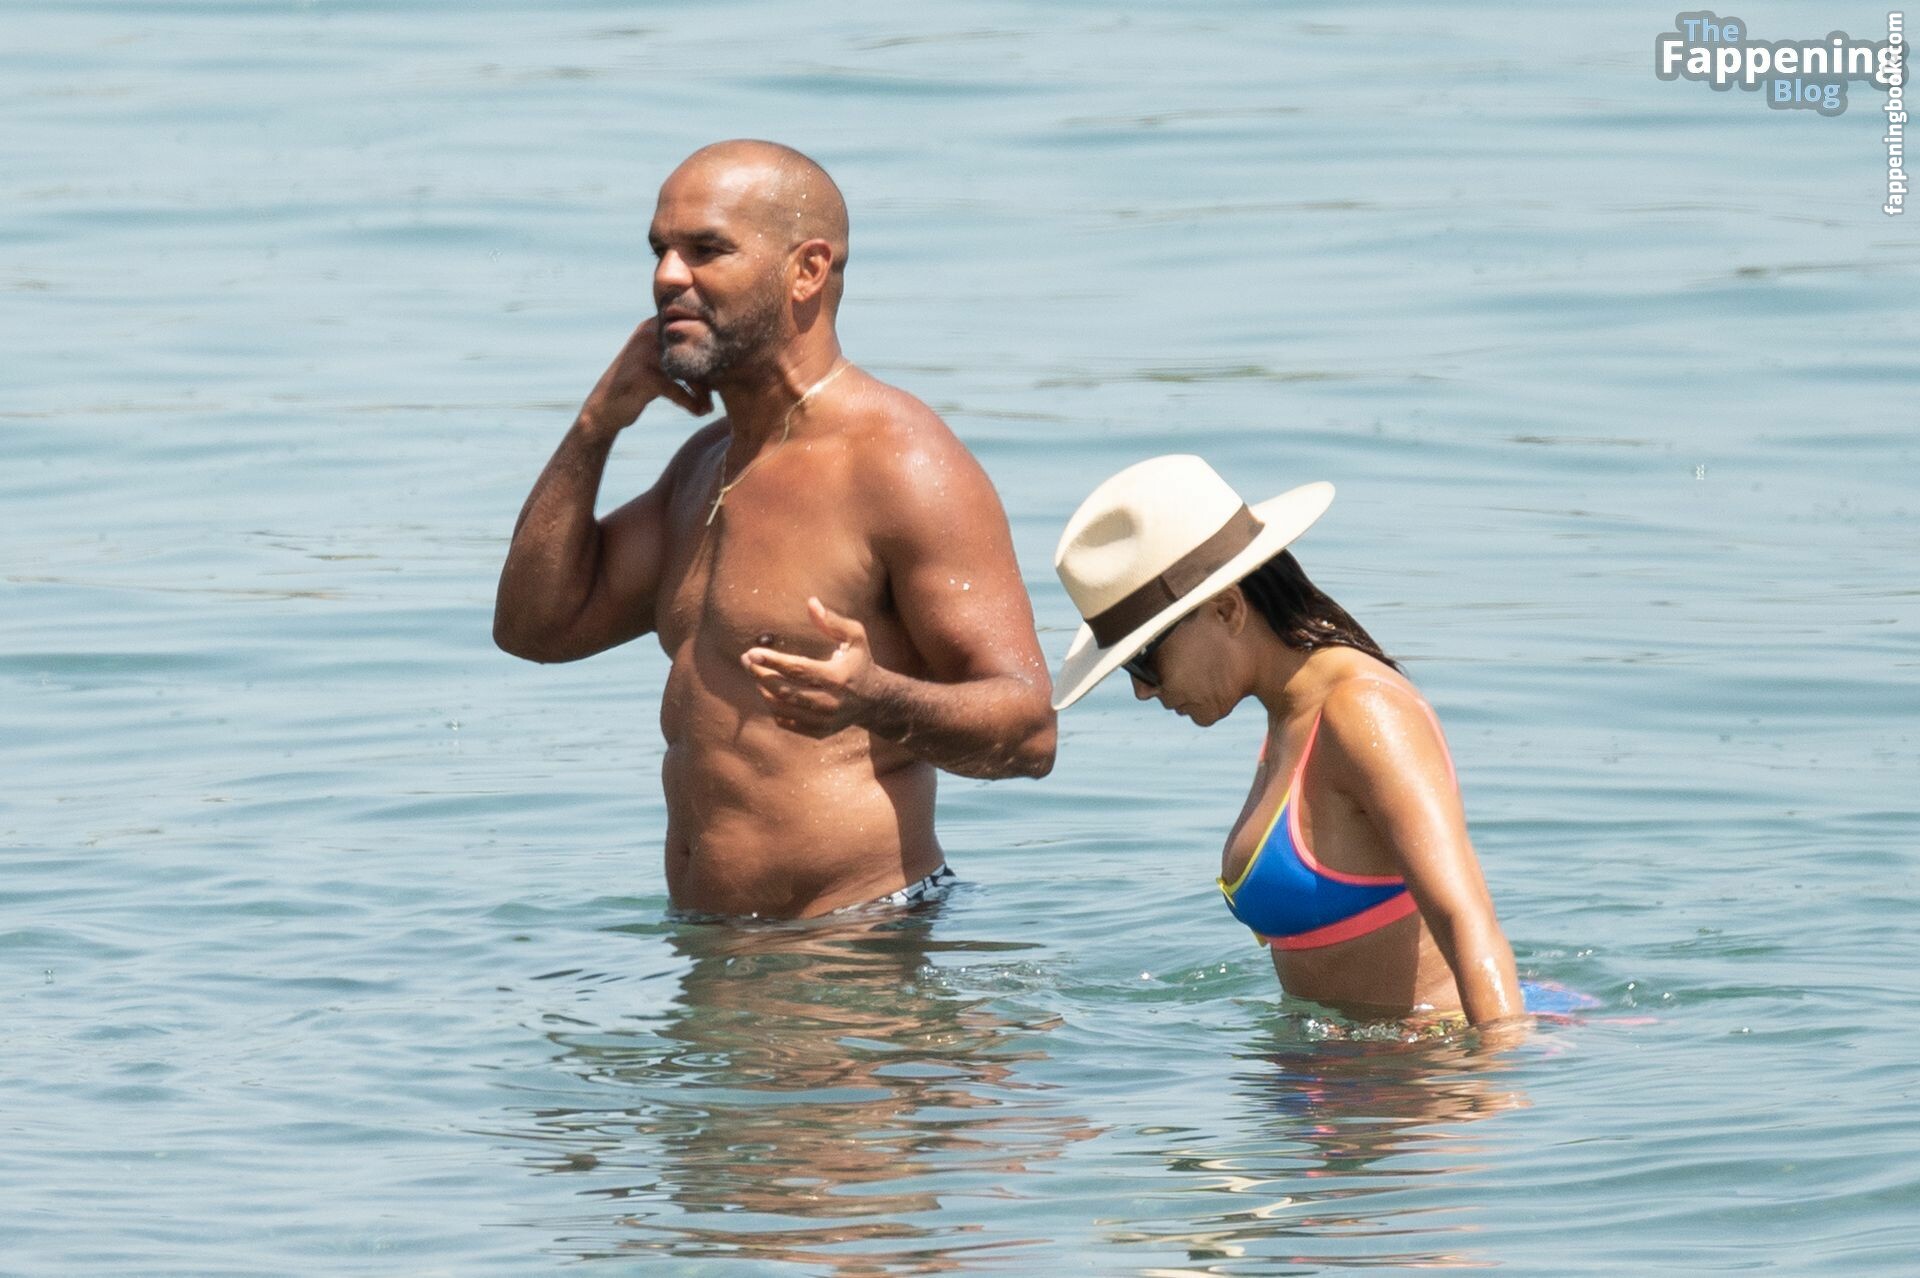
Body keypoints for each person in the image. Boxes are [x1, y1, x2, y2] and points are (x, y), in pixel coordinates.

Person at [493, 140, 1056, 920]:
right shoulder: (704, 467)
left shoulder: (898, 462)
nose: (667, 277)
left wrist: (875, 699)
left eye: (706, 250)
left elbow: (1030, 732)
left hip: (858, 944)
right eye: (660, 251)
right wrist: (597, 424)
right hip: (716, 950)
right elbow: (535, 628)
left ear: (808, 270)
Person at [1049, 455, 1523, 1027]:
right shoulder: (1288, 719)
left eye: (1144, 659)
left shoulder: (1362, 713)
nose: (1142, 691)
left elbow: (1467, 919)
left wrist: (1498, 1068)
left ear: (1227, 610)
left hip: (1427, 1068)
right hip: (1350, 1074)